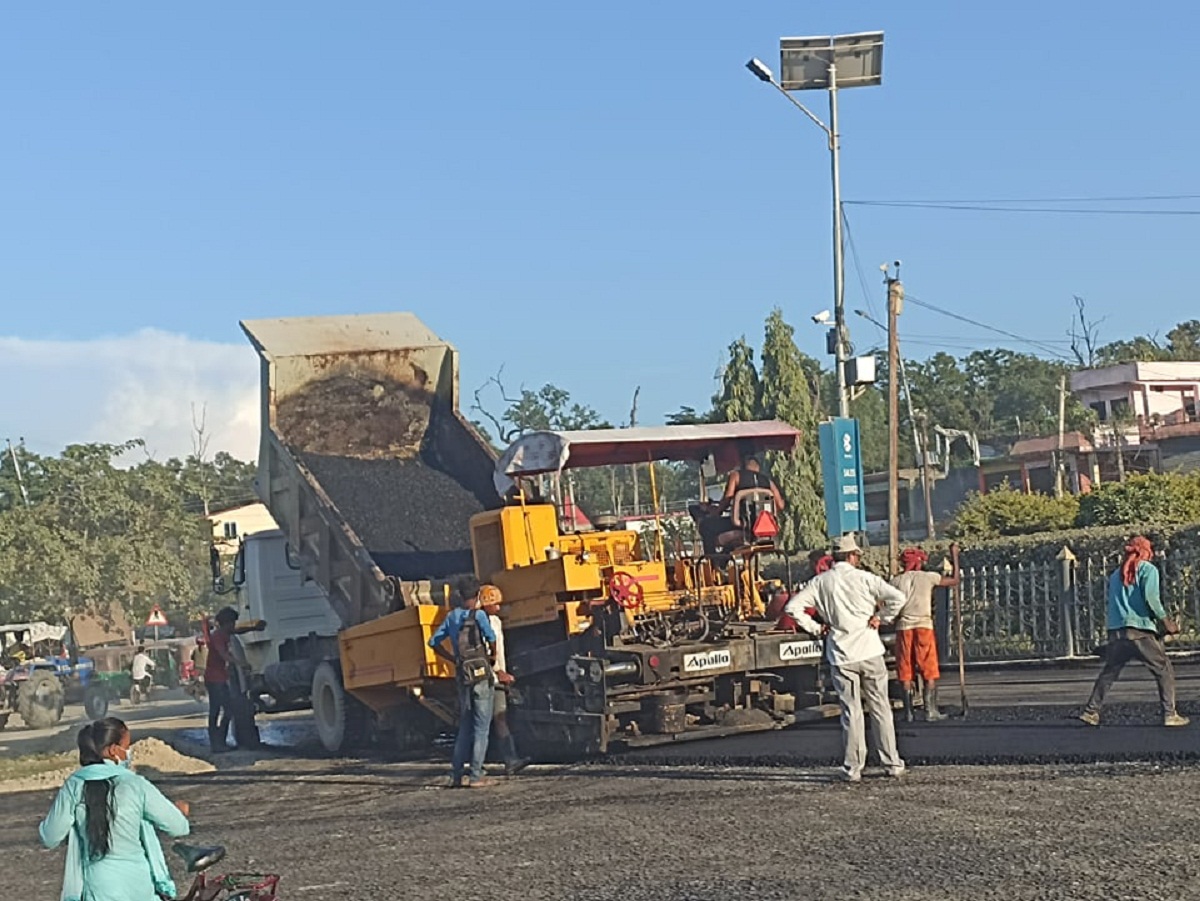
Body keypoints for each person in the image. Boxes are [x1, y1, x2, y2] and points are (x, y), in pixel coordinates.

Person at [784, 534, 908, 783]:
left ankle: (853, 767)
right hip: (870, 649)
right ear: (853, 556)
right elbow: (898, 598)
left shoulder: (820, 583)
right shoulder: (865, 579)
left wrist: (816, 628)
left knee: (851, 711)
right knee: (881, 707)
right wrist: (881, 618)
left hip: (842, 654)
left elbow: (792, 608)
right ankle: (892, 762)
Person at [39, 718, 191, 901]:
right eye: (127, 746)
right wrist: (177, 811)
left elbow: (50, 837)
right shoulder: (135, 784)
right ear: (113, 750)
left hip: (98, 888)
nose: (129, 752)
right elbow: (179, 827)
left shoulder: (74, 785)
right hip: (139, 886)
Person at [1080, 536, 1189, 728]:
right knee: (1163, 669)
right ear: (1146, 552)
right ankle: (1170, 714)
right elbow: (1151, 598)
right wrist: (1166, 621)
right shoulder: (1148, 569)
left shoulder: (1115, 575)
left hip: (1118, 632)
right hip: (1140, 631)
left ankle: (1091, 711)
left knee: (1110, 671)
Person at [429, 578, 499, 788]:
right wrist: (493, 657)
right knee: (481, 727)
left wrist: (452, 659)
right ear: (477, 595)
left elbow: (433, 642)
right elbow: (491, 638)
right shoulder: (479, 616)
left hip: (462, 675)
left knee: (465, 726)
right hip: (480, 676)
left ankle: (456, 774)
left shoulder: (451, 617)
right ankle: (476, 775)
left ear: (460, 596)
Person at [891, 543, 961, 722]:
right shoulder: (928, 577)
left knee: (905, 670)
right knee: (928, 669)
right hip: (923, 625)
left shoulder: (896, 581)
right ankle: (930, 711)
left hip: (903, 628)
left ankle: (908, 713)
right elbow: (954, 581)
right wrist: (955, 556)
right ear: (919, 562)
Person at [479, 585, 532, 776]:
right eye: (495, 604)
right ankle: (480, 765)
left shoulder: (495, 621)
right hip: (488, 679)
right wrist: (498, 671)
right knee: (488, 721)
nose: (499, 608)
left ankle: (510, 759)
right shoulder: (481, 622)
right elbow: (485, 651)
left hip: (496, 678)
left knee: (499, 718)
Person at [713, 454, 786, 551]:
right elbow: (780, 505)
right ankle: (724, 559)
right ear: (758, 468)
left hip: (742, 525)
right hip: (764, 528)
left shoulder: (736, 476)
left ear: (743, 466)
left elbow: (727, 499)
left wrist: (716, 512)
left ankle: (714, 561)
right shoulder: (768, 481)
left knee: (707, 525)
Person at [203, 607, 239, 753]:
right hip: (214, 678)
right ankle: (217, 744)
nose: (235, 626)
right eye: (233, 623)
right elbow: (223, 654)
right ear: (228, 623)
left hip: (219, 677)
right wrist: (240, 662)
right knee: (219, 710)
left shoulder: (223, 633)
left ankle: (219, 742)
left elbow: (238, 631)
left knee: (222, 710)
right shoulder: (218, 636)